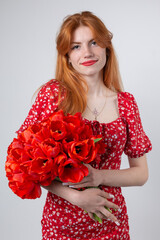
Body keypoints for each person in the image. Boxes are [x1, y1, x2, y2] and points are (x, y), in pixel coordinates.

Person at [16, 11, 152, 240]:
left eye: (94, 43)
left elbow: (141, 174)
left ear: (106, 47)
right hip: (62, 226)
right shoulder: (53, 96)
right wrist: (76, 197)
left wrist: (98, 176)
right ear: (67, 56)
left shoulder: (126, 103)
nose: (87, 52)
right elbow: (24, 162)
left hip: (112, 222)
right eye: (76, 46)